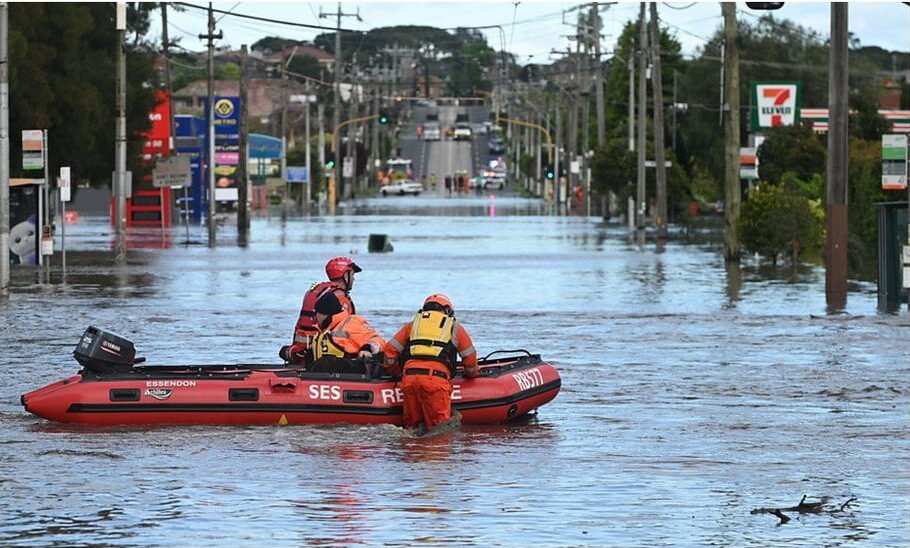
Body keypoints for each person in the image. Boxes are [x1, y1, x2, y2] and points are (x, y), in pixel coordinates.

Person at [383, 293, 480, 432]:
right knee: (439, 432)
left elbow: (390, 351)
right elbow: (470, 360)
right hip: (436, 381)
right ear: (447, 310)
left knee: (412, 429)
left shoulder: (412, 326)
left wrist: (396, 372)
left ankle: (413, 452)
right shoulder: (453, 327)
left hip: (409, 380)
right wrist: (472, 374)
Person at [279, 256, 362, 364]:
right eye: (352, 275)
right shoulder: (341, 298)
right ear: (345, 275)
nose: (354, 279)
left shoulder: (313, 292)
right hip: (322, 356)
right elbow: (348, 330)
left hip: (300, 353)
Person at [309, 292, 386, 375]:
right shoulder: (323, 332)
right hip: (328, 376)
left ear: (323, 314)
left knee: (325, 363)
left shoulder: (350, 323)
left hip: (352, 370)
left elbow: (377, 339)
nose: (315, 318)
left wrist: (367, 348)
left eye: (316, 314)